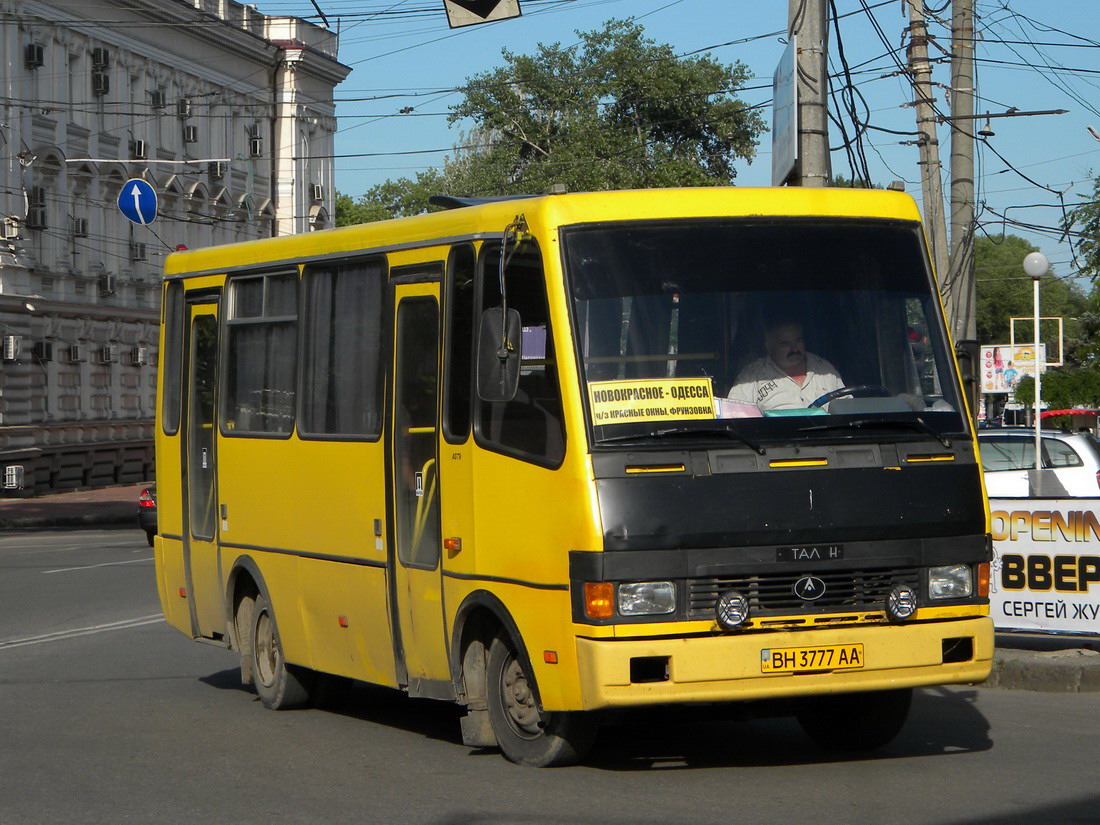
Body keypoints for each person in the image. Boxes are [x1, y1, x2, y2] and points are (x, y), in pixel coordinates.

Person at [727, 319, 844, 411]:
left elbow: (847, 410)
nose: (794, 348)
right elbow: (735, 414)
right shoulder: (752, 375)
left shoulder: (824, 369)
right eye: (785, 344)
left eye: (798, 341)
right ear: (769, 346)